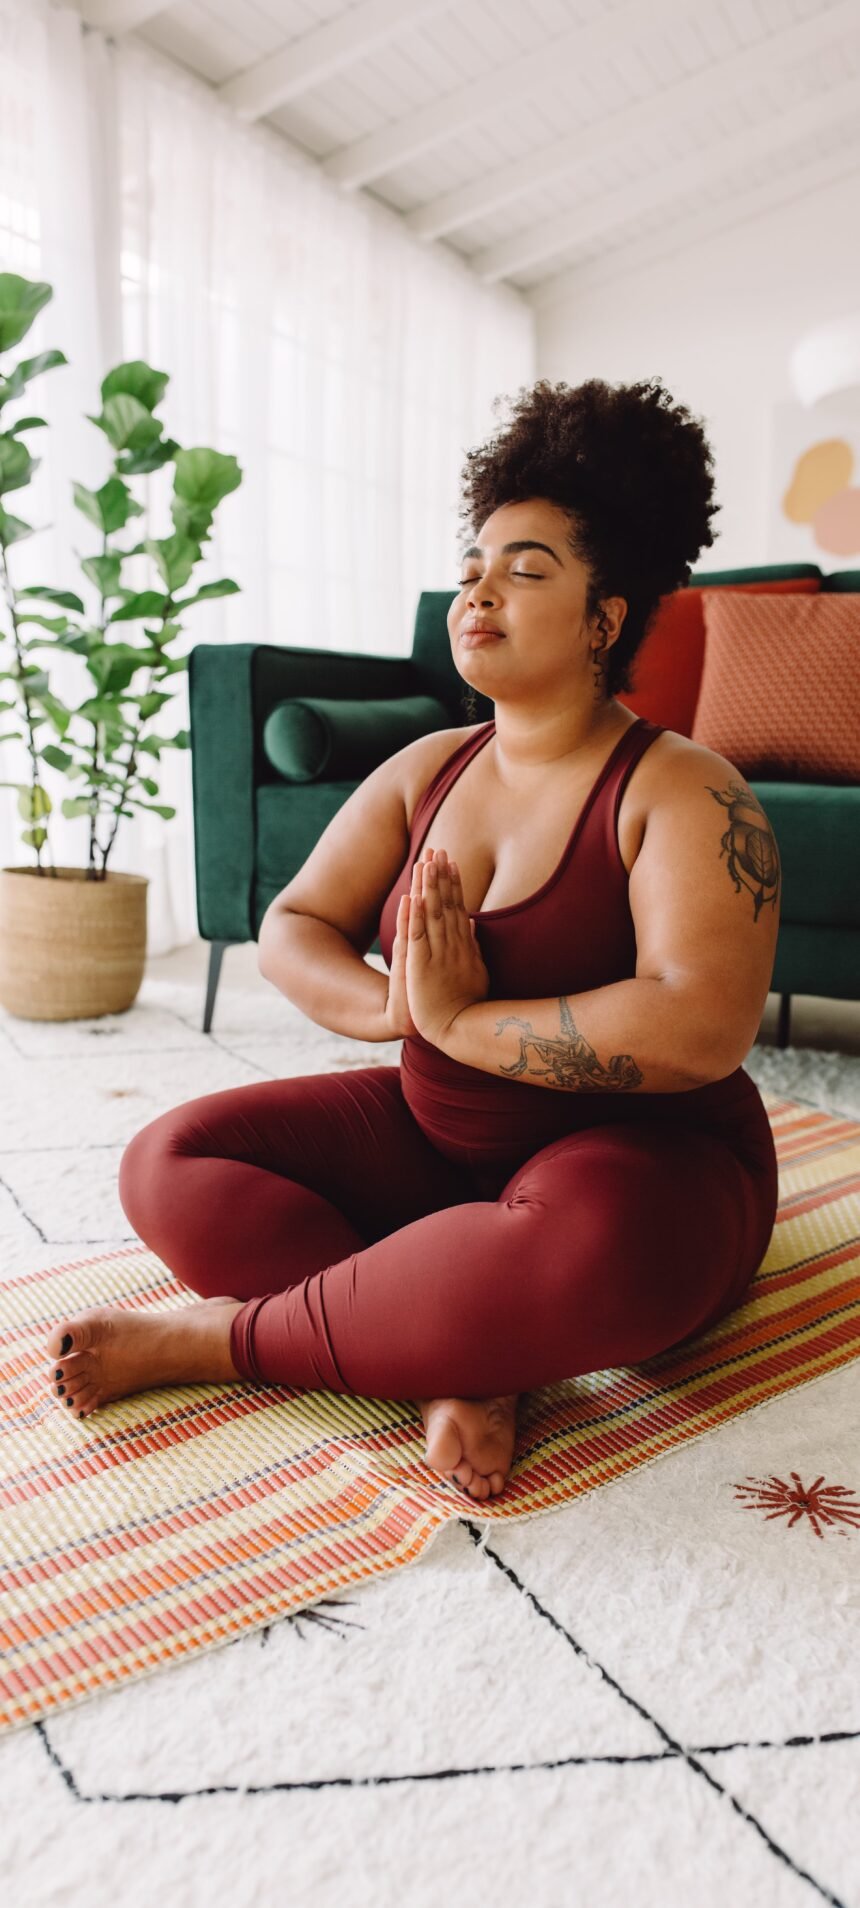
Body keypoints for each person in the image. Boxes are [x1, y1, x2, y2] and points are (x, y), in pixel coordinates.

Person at [45, 375, 781, 1504]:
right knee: (169, 1163)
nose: (479, 588)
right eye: (474, 564)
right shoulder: (426, 768)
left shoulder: (681, 789)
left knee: (595, 1258)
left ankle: (223, 1341)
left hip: (643, 1165)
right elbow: (290, 923)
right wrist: (397, 1014)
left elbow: (697, 1026)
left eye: (526, 569)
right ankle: (458, 1353)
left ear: (605, 616)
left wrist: (459, 1021)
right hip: (440, 1148)